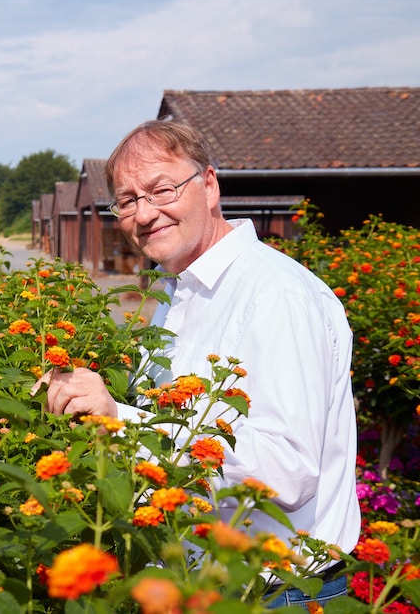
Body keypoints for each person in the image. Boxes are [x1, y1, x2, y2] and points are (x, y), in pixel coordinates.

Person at [36, 120, 360, 607]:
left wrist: (120, 421)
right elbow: (171, 432)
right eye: (127, 201)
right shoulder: (180, 291)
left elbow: (287, 470)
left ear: (208, 185)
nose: (144, 214)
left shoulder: (276, 293)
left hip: (277, 594)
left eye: (161, 189)